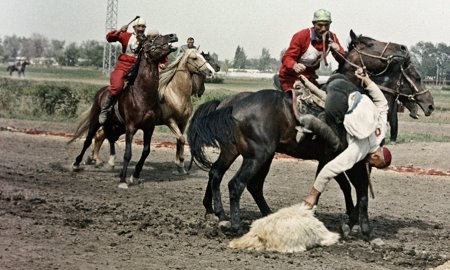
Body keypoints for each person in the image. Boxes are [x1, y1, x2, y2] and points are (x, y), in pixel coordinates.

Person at [302, 68, 392, 208]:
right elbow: (330, 169)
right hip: (336, 102)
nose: (370, 164)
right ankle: (312, 123)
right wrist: (312, 195)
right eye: (373, 164)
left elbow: (382, 104)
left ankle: (313, 90)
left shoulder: (382, 128)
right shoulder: (361, 148)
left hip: (346, 86)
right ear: (375, 157)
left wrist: (366, 79)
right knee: (337, 145)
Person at [99, 18, 166, 124]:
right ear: (134, 27)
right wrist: (119, 31)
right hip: (123, 66)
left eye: (143, 27)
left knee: (151, 86)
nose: (141, 29)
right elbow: (109, 38)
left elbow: (157, 51)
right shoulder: (126, 36)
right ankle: (105, 109)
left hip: (139, 68)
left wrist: (162, 62)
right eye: (139, 26)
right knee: (117, 87)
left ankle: (155, 111)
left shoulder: (147, 40)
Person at [278, 9, 346, 91]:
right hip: (290, 77)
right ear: (314, 24)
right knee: (296, 101)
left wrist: (338, 50)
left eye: (326, 25)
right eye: (320, 25)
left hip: (309, 78)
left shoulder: (332, 37)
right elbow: (287, 57)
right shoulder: (302, 36)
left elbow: (343, 61)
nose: (323, 29)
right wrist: (294, 65)